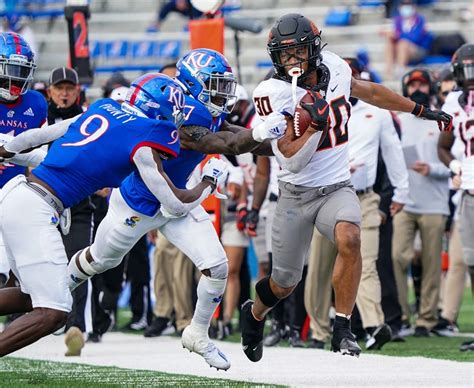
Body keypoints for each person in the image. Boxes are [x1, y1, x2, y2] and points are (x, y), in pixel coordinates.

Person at [240, 13, 452, 363]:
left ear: (314, 49)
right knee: (284, 282)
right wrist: (311, 127)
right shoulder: (272, 93)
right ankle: (255, 313)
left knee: (350, 239)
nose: (291, 61)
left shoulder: (336, 68)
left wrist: (417, 109)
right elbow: (290, 159)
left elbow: (369, 91)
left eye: (298, 52)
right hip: (295, 193)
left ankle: (343, 327)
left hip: (337, 186)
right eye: (284, 54)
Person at [63, 48, 286, 371]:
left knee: (217, 265)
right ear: (193, 85)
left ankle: (196, 332)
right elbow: (221, 144)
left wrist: (288, 141)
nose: (222, 93)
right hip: (141, 201)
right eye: (215, 84)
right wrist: (217, 175)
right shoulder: (179, 114)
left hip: (178, 201)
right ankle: (58, 287)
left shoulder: (203, 107)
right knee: (100, 260)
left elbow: (236, 136)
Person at [0, 73, 217, 357]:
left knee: (33, 296)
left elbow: (40, 137)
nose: (175, 119)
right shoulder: (145, 135)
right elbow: (175, 205)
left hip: (18, 196)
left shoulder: (102, 107)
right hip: (37, 208)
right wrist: (207, 184)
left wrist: (7, 149)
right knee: (55, 311)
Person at [303, 57, 410, 351]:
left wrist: (401, 191)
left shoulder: (376, 113)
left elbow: (393, 151)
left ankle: (375, 325)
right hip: (326, 193)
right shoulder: (316, 108)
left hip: (364, 196)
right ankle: (318, 330)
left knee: (367, 262)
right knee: (320, 266)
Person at [392, 68, 451, 337]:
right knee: (397, 257)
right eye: (413, 84)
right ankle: (403, 315)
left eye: (423, 84)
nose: (418, 89)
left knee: (431, 264)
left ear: (431, 88)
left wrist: (433, 169)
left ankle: (426, 319)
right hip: (405, 201)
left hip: (434, 203)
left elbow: (455, 162)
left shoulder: (440, 119)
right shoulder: (398, 121)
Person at [0, 32, 47, 287]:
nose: (15, 77)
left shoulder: (36, 103)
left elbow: (44, 154)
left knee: (18, 271)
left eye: (21, 70)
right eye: (10, 69)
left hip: (17, 194)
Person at [437, 43, 474, 350]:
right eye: (467, 70)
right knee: (471, 262)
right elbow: (443, 146)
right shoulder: (452, 102)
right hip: (469, 190)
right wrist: (455, 166)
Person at [384, 0, 433, 79]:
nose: (406, 6)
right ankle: (388, 71)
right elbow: (395, 34)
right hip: (401, 48)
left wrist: (398, 35)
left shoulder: (419, 20)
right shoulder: (398, 20)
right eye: (404, 4)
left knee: (403, 43)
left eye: (408, 4)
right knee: (390, 42)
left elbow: (416, 38)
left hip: (417, 49)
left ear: (414, 6)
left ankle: (401, 70)